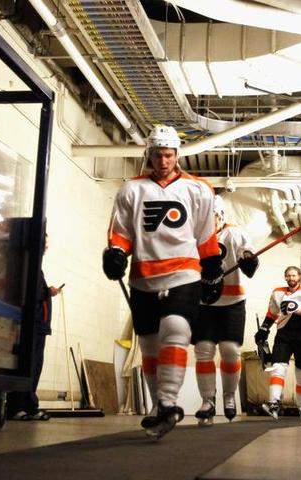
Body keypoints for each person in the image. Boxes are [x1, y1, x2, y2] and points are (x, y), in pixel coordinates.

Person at [102, 124, 223, 439]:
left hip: (184, 272)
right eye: (158, 155)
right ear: (149, 154)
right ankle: (160, 407)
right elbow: (121, 231)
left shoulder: (198, 190)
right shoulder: (131, 190)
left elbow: (205, 233)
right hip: (143, 276)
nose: (164, 161)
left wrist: (212, 266)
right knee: (149, 345)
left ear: (177, 154)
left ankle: (168, 401)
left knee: (176, 329)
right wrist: (116, 253)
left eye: (169, 154)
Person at [193, 195, 259, 425]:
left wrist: (249, 260)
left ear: (220, 215)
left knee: (230, 350)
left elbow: (247, 255)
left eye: (211, 216)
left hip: (232, 302)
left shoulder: (235, 233)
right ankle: (207, 401)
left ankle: (229, 396)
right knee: (203, 350)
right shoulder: (193, 236)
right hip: (203, 303)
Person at [254, 266, 301, 420]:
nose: (291, 278)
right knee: (278, 367)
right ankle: (274, 403)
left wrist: (298, 310)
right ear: (285, 277)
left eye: (294, 275)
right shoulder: (277, 292)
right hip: (283, 335)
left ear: (300, 277)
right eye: (288, 276)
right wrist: (264, 329)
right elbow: (272, 313)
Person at [7, 232, 61, 421]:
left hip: (39, 325)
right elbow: (31, 293)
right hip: (32, 324)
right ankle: (16, 406)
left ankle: (29, 405)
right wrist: (47, 292)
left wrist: (47, 291)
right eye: (44, 243)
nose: (46, 247)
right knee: (26, 366)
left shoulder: (36, 267)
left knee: (35, 367)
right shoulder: (27, 265)